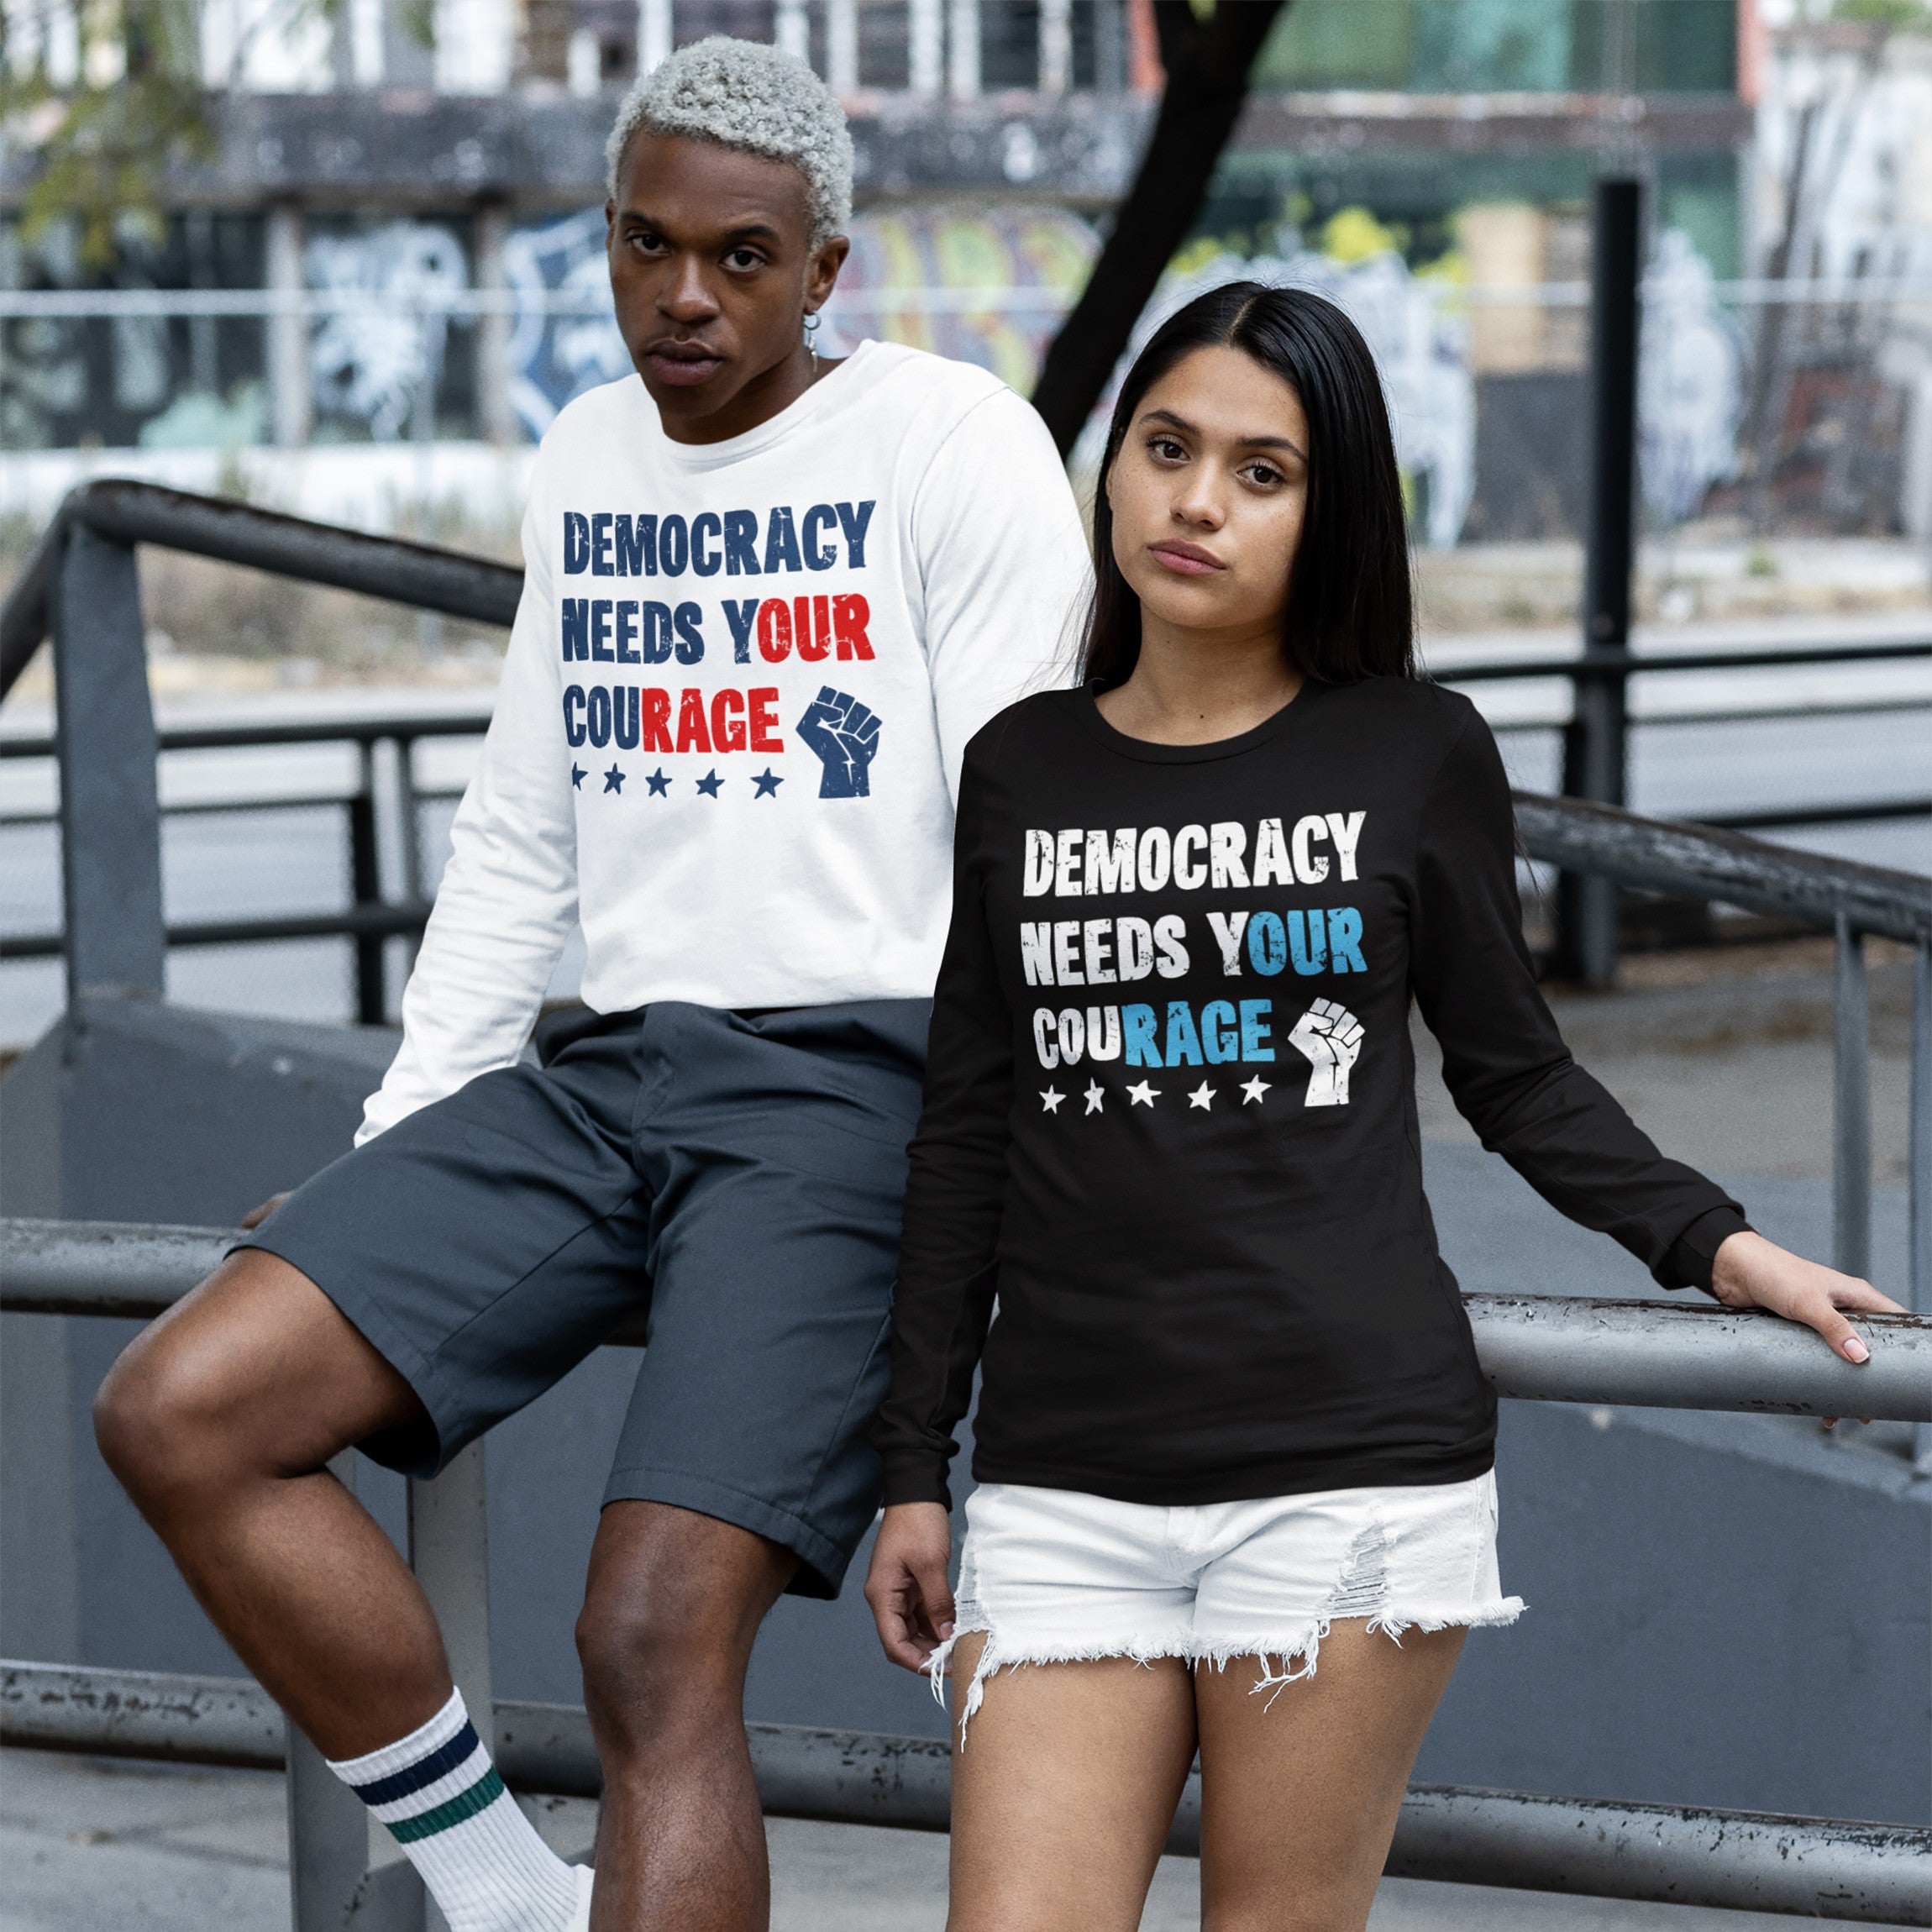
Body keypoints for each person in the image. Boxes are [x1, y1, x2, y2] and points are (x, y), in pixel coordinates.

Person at [92, 38, 1087, 1932]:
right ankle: (497, 1886)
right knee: (184, 1405)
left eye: (737, 256)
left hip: (853, 1090)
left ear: (823, 271)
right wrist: (385, 1161)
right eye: (644, 244)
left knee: (644, 1636)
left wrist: (998, 1190)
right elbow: (521, 841)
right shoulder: (585, 453)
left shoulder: (950, 445)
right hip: (604, 1077)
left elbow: (1018, 849)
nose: (682, 295)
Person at [863, 282, 1902, 1932]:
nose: (1196, 500)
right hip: (1060, 1488)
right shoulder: (1023, 766)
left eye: (1261, 472)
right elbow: (966, 1134)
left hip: (1340, 1481)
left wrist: (1718, 1246)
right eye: (1166, 447)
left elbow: (1516, 1072)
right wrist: (909, 1460)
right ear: (1114, 466)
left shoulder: (1411, 751)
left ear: (1330, 515)